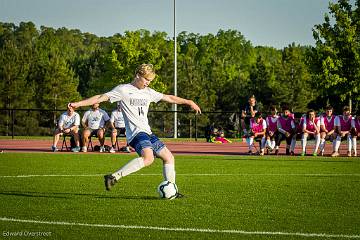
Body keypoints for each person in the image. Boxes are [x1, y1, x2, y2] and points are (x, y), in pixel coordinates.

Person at [69, 64, 201, 197]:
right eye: (146, 80)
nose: (148, 83)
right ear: (138, 75)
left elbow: (170, 98)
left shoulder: (148, 92)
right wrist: (78, 104)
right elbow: (100, 98)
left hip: (147, 132)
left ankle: (172, 189)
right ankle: (113, 177)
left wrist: (189, 102)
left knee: (169, 157)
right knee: (148, 158)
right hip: (136, 133)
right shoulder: (123, 90)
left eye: (150, 81)